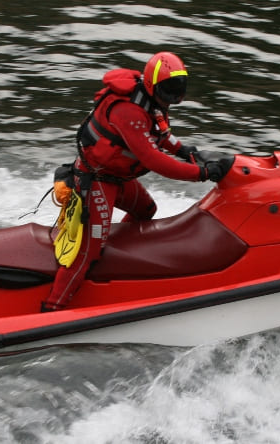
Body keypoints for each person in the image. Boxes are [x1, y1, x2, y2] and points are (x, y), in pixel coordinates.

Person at [42, 51, 233, 312]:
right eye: (169, 91)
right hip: (97, 181)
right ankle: (52, 308)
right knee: (87, 251)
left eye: (178, 90)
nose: (173, 97)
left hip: (118, 177)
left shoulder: (152, 102)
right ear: (154, 85)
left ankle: (118, 263)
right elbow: (153, 158)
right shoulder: (128, 111)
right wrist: (201, 173)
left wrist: (188, 151)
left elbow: (161, 134)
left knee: (146, 210)